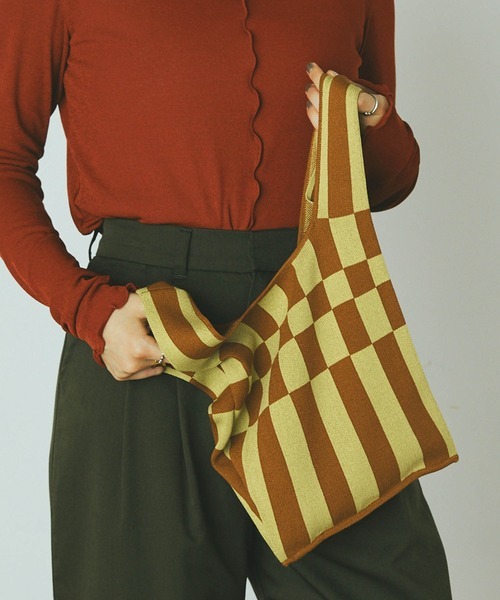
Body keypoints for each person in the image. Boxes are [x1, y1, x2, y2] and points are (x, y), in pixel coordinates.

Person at [0, 1, 452, 598]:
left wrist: (369, 117)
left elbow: (388, 181)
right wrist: (89, 310)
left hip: (315, 329)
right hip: (145, 336)